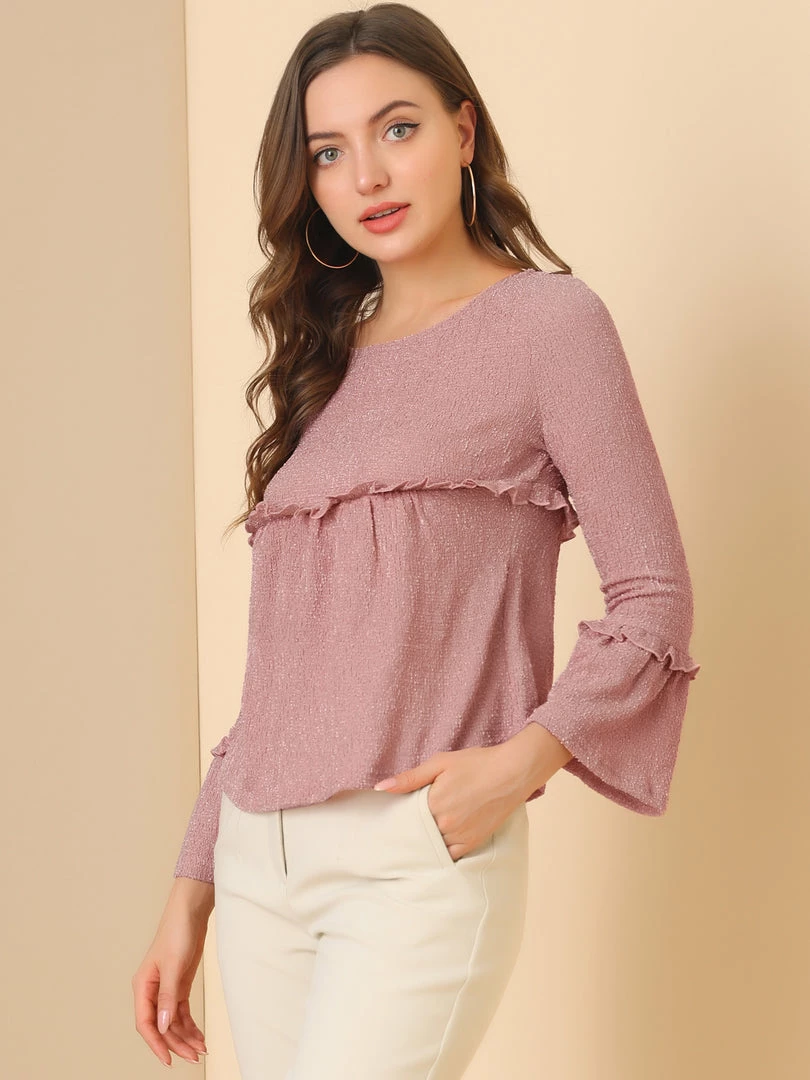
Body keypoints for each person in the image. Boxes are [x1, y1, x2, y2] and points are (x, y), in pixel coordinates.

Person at [132, 4, 701, 1076]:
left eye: (398, 129)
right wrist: (191, 886)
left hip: (413, 857)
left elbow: (653, 598)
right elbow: (284, 680)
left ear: (463, 130)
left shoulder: (551, 326)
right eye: (329, 152)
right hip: (258, 861)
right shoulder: (326, 368)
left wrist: (518, 765)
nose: (368, 176)